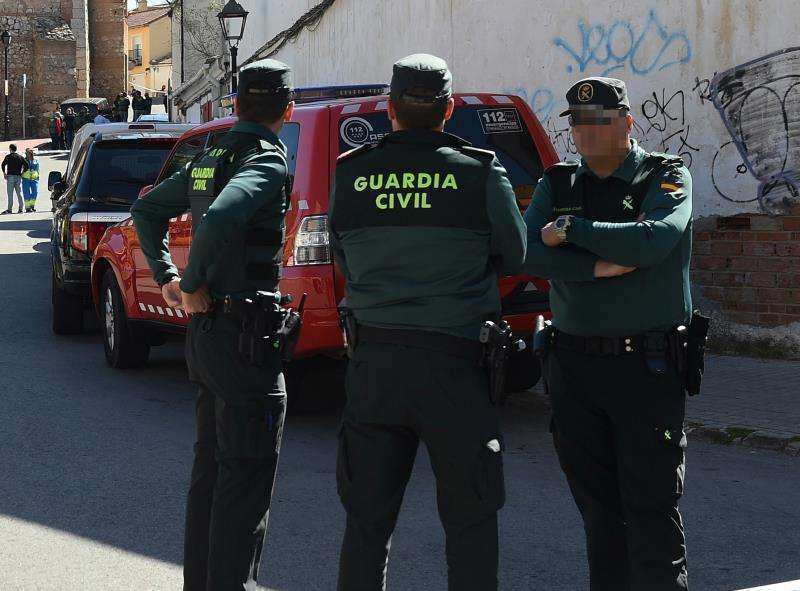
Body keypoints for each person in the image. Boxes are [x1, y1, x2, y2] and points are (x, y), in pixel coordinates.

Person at [329, 53, 526, 591]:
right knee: (470, 521)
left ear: (389, 109)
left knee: (367, 524)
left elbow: (343, 257)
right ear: (450, 109)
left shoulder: (352, 170)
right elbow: (515, 254)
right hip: (456, 364)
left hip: (375, 366)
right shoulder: (479, 170)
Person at [130, 58, 296, 591]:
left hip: (208, 337)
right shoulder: (265, 159)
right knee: (244, 480)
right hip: (243, 338)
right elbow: (223, 215)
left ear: (236, 105)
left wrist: (169, 277)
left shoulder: (211, 156)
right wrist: (190, 282)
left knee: (210, 473)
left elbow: (147, 210)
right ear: (288, 109)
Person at [524, 77, 693, 590]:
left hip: (647, 368)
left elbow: (652, 243)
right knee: (600, 515)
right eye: (578, 122)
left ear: (626, 122)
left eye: (599, 120)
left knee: (651, 509)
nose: (587, 132)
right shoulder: (559, 184)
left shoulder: (663, 176)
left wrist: (571, 232)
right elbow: (525, 253)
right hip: (574, 369)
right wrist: (596, 266)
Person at [2, 144, 29, 214]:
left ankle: (9, 209)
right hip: (18, 177)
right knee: (19, 193)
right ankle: (21, 209)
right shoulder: (20, 157)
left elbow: (3, 164)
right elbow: (27, 165)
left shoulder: (8, 157)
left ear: (10, 149)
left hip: (10, 176)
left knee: (10, 194)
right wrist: (22, 173)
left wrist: (4, 173)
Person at [21, 148, 39, 212]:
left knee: (35, 192)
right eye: (26, 153)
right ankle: (28, 207)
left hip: (34, 179)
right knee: (26, 193)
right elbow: (21, 168)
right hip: (26, 178)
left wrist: (37, 176)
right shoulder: (23, 160)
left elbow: (37, 169)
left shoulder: (35, 161)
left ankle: (32, 205)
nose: (27, 154)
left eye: (28, 153)